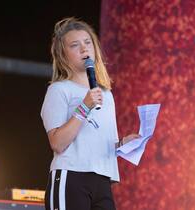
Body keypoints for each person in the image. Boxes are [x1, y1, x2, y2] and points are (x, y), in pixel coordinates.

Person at [40, 17, 140, 210]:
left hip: (102, 180)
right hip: (71, 176)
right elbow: (57, 143)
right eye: (75, 45)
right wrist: (84, 107)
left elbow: (96, 142)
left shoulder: (106, 94)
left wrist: (122, 145)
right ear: (63, 55)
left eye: (87, 43)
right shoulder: (59, 90)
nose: (84, 49)